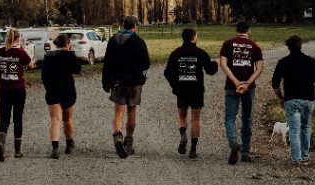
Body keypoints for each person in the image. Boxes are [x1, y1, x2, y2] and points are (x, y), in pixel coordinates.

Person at [162, 27, 218, 159]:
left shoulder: (176, 53)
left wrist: (175, 85)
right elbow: (210, 70)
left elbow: (167, 72)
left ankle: (183, 135)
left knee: (182, 117)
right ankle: (193, 149)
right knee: (195, 120)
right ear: (193, 37)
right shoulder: (200, 53)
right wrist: (215, 64)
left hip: (181, 90)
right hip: (196, 91)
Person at [101, 15, 150, 158]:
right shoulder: (139, 42)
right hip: (134, 81)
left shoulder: (112, 41)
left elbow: (107, 64)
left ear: (124, 26)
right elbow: (146, 63)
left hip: (117, 81)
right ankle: (128, 142)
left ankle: (117, 134)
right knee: (131, 111)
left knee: (118, 112)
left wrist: (105, 82)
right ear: (135, 26)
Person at [271, 34, 315, 165]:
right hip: (307, 100)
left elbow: (275, 84)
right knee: (305, 127)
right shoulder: (310, 61)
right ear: (301, 45)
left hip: (291, 100)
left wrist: (281, 98)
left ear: (288, 47)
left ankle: (296, 159)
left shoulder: (283, 62)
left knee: (294, 129)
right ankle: (305, 157)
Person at [219, 20, 263, 164]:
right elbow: (260, 68)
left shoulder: (227, 44)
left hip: (232, 86)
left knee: (230, 118)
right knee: (247, 119)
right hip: (249, 88)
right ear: (248, 30)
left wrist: (236, 81)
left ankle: (233, 143)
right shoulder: (255, 47)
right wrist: (247, 83)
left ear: (236, 30)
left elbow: (223, 64)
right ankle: (245, 153)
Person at [0, 27, 34, 161]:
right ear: (17, 39)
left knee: (4, 119)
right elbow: (31, 65)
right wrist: (24, 49)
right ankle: (17, 150)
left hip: (4, 89)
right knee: (17, 118)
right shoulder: (21, 53)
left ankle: (1, 142)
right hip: (18, 89)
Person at [40, 32, 82, 158]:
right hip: (67, 90)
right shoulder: (69, 56)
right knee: (67, 119)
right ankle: (69, 143)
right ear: (68, 44)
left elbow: (44, 76)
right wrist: (72, 53)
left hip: (52, 90)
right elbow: (78, 69)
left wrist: (48, 87)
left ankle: (55, 148)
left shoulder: (48, 56)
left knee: (55, 120)